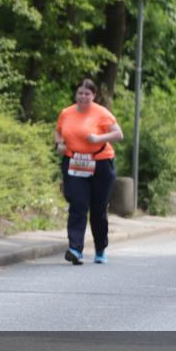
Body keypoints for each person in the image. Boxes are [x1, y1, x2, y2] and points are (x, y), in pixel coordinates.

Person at [54, 79, 124, 265]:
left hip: (100, 163)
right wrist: (59, 144)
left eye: (87, 94)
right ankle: (75, 249)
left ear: (93, 96)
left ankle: (100, 248)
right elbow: (58, 132)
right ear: (76, 94)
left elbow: (119, 134)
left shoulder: (101, 113)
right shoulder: (66, 113)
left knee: (98, 209)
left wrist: (98, 138)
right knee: (78, 205)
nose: (83, 97)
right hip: (75, 162)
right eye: (80, 93)